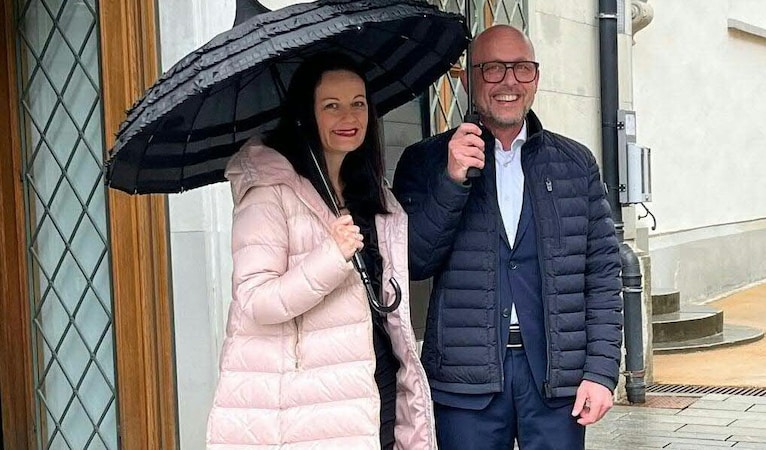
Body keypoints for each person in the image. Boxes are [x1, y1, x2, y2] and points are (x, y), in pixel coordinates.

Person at [392, 25, 623, 449]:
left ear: (536, 77)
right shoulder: (424, 161)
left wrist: (601, 370)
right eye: (493, 69)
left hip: (556, 382)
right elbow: (412, 262)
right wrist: (451, 181)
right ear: (468, 78)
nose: (509, 83)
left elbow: (603, 274)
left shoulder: (574, 163)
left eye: (521, 68)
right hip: (466, 382)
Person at [206, 53, 436, 449]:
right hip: (313, 406)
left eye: (358, 103)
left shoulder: (370, 191)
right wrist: (331, 256)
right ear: (306, 114)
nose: (349, 116)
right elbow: (257, 301)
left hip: (375, 390)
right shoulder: (268, 193)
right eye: (332, 105)